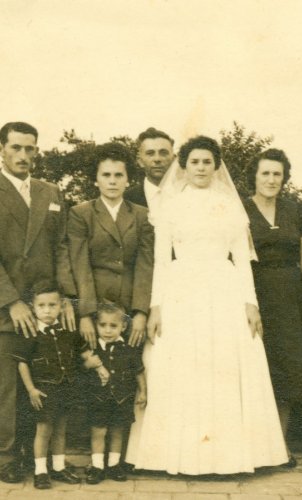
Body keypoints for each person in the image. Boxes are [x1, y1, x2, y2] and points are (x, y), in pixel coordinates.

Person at [126, 135, 288, 474]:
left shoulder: (229, 204)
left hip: (224, 290)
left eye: (207, 162)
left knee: (224, 365)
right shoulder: (169, 205)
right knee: (184, 366)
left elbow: (242, 260)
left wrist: (250, 303)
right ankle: (178, 455)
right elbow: (160, 261)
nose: (201, 168)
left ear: (216, 167)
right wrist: (156, 307)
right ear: (183, 166)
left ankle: (228, 455)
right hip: (181, 290)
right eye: (194, 162)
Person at [0, 122, 76, 484]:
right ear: (2, 149)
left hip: (46, 309)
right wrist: (12, 301)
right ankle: (5, 459)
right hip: (8, 308)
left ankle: (39, 460)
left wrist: (66, 300)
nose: (24, 156)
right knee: (8, 388)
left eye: (30, 149)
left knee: (47, 385)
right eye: (16, 148)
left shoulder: (51, 192)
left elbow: (61, 248)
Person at [243, 148, 302, 463]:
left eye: (277, 174)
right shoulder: (241, 209)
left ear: (284, 178)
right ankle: (253, 447)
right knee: (257, 369)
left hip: (291, 298)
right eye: (265, 173)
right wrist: (246, 302)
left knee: (287, 372)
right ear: (255, 177)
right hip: (256, 295)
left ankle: (280, 446)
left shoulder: (294, 210)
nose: (272, 179)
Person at [9, 284, 100, 489]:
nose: (47, 310)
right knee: (43, 430)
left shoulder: (68, 332)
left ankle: (58, 468)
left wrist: (94, 364)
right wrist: (31, 389)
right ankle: (40, 471)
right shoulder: (30, 334)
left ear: (62, 306)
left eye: (52, 305)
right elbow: (22, 363)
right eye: (41, 305)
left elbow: (83, 356)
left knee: (61, 429)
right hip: (44, 391)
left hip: (66, 389)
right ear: (33, 307)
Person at [67, 142, 154, 350]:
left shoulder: (142, 215)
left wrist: (141, 312)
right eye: (106, 175)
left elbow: (146, 265)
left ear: (128, 179)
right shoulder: (81, 214)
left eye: (118, 175)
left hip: (129, 307)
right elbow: (80, 266)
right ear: (96, 180)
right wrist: (86, 314)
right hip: (96, 306)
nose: (112, 181)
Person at [84, 303, 146, 485]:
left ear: (123, 327)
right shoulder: (93, 348)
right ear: (96, 325)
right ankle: (97, 466)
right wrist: (89, 364)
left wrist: (143, 391)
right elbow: (82, 369)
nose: (108, 331)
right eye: (103, 325)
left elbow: (139, 371)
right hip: (98, 399)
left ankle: (113, 465)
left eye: (113, 326)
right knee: (98, 432)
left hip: (122, 398)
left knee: (118, 431)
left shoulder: (129, 349)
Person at [124, 127, 176, 221]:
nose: (157, 159)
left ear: (173, 159)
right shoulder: (126, 200)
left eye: (163, 153)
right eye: (150, 153)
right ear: (140, 161)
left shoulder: (188, 195)